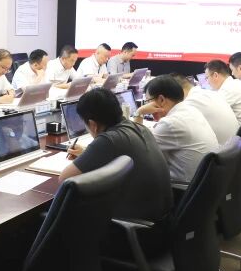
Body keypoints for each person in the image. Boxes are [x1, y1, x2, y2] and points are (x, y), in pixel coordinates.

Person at [60, 87, 172, 221]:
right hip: (161, 218)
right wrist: (86, 154)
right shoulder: (139, 128)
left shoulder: (107, 140)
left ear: (93, 124)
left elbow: (65, 181)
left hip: (134, 224)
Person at [134, 76, 219, 185]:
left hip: (182, 188)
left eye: (148, 101)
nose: (147, 106)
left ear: (161, 99)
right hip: (204, 183)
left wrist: (139, 112)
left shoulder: (170, 124)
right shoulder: (191, 109)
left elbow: (139, 152)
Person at [170, 73, 239, 144]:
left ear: (177, 91)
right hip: (235, 143)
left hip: (225, 147)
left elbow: (172, 126)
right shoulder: (209, 92)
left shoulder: (189, 102)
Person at [203, 59, 241, 126]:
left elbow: (211, 111)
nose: (207, 82)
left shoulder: (228, 89)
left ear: (215, 75)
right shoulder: (235, 82)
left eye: (207, 78)